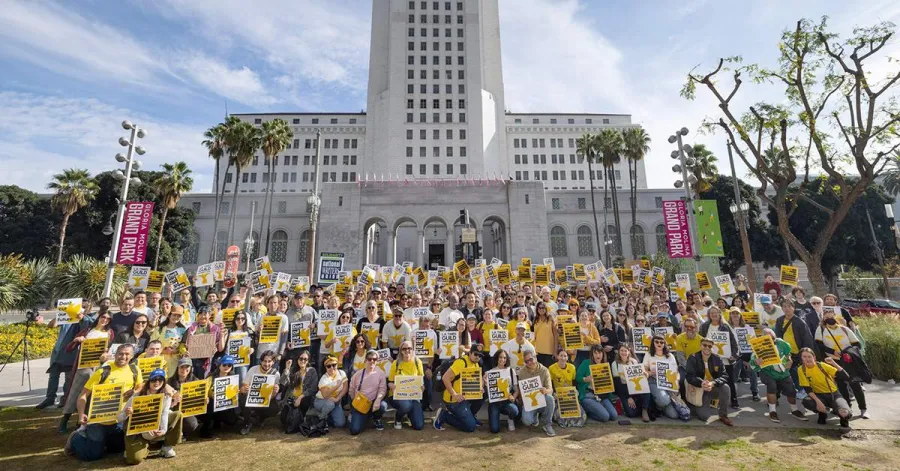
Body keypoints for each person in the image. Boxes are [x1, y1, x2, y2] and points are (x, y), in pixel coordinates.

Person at [65, 344, 141, 461]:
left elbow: (140, 388)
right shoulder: (103, 372)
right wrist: (81, 414)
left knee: (117, 449)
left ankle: (103, 442)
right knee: (92, 455)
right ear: (115, 354)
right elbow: (83, 395)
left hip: (118, 419)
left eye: (127, 354)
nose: (123, 357)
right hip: (98, 419)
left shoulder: (135, 370)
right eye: (120, 353)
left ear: (132, 356)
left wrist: (133, 391)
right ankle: (76, 437)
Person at [59, 309, 116, 433]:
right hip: (83, 366)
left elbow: (110, 350)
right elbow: (69, 348)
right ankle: (64, 419)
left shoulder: (110, 333)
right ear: (99, 317)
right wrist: (77, 340)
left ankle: (81, 421)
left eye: (108, 319)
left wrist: (106, 353)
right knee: (75, 393)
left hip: (99, 367)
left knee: (91, 396)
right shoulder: (88, 330)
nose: (104, 320)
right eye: (103, 317)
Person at [39, 299, 96, 410]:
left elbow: (88, 327)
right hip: (58, 351)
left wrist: (82, 317)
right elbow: (51, 325)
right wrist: (60, 315)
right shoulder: (67, 318)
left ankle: (65, 399)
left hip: (71, 353)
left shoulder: (88, 319)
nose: (82, 308)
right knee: (53, 376)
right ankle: (49, 398)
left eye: (84, 306)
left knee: (68, 377)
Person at [814, 308, 868, 419]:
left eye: (831, 315)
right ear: (823, 318)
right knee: (841, 386)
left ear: (836, 316)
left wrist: (847, 352)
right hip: (833, 362)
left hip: (848, 361)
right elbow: (819, 346)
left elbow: (857, 344)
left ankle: (863, 409)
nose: (829, 318)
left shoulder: (844, 329)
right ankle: (847, 408)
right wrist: (833, 352)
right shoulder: (820, 329)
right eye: (826, 316)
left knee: (855, 384)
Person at [118, 368, 180, 463]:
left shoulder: (166, 396)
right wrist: (126, 413)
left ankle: (166, 446)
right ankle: (141, 447)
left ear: (164, 382)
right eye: (154, 379)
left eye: (160, 380)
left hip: (155, 425)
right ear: (149, 381)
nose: (157, 382)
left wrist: (163, 430)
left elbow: (164, 414)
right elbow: (119, 418)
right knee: (134, 460)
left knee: (177, 415)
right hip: (137, 430)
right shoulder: (137, 395)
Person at [750, 329, 807, 423]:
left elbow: (788, 355)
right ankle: (772, 411)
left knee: (791, 389)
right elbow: (752, 363)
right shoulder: (758, 346)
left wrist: (789, 361)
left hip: (783, 371)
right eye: (768, 338)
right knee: (772, 386)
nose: (772, 340)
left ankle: (794, 410)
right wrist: (756, 362)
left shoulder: (782, 343)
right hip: (768, 371)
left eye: (773, 338)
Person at [434, 347, 485, 433]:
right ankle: (443, 415)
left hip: (465, 396)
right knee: (470, 427)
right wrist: (454, 394)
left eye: (480, 355)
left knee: (483, 394)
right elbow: (445, 378)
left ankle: (470, 416)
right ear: (470, 353)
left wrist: (481, 386)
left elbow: (475, 381)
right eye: (475, 354)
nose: (477, 357)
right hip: (454, 400)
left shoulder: (476, 364)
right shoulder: (461, 363)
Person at [684, 338, 734, 426]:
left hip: (712, 387)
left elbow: (724, 376)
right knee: (704, 417)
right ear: (700, 346)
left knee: (726, 388)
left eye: (710, 346)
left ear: (712, 347)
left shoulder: (717, 358)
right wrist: (701, 383)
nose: (707, 347)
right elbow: (689, 376)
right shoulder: (693, 357)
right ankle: (695, 406)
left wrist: (713, 383)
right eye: (704, 345)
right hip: (699, 388)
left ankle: (723, 415)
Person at [798, 348, 852, 428]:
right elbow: (807, 389)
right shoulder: (801, 369)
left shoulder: (821, 365)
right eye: (804, 357)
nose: (807, 359)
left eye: (809, 356)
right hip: (818, 395)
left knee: (845, 413)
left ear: (814, 357)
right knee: (807, 401)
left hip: (834, 394)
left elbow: (846, 376)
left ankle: (842, 418)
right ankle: (822, 413)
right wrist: (818, 402)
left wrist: (833, 363)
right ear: (801, 358)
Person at [699, 307, 740, 408]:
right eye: (711, 313)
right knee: (714, 381)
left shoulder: (726, 326)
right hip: (711, 359)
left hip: (725, 360)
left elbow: (734, 342)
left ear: (719, 314)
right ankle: (715, 402)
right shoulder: (705, 326)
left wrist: (734, 355)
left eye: (715, 313)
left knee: (729, 380)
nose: (713, 315)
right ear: (708, 315)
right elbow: (700, 340)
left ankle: (734, 401)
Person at [773, 298, 816, 394]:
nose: (787, 308)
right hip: (786, 352)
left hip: (798, 352)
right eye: (784, 306)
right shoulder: (780, 320)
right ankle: (791, 390)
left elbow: (807, 338)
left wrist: (807, 353)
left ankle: (803, 390)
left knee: (798, 372)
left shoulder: (800, 321)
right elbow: (778, 336)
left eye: (789, 306)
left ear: (793, 307)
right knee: (785, 372)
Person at [642, 335, 689, 421]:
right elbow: (644, 369)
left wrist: (677, 382)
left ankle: (661, 407)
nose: (659, 344)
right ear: (653, 343)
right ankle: (659, 403)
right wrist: (648, 372)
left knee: (674, 415)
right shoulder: (648, 355)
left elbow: (676, 371)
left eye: (661, 342)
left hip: (669, 382)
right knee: (664, 400)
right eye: (656, 342)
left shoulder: (670, 356)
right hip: (654, 381)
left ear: (664, 343)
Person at [238, 350, 283, 435]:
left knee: (275, 409)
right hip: (251, 398)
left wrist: (275, 392)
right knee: (243, 396)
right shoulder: (253, 369)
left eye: (269, 361)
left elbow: (272, 397)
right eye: (264, 361)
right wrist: (244, 389)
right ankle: (246, 423)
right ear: (261, 361)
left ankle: (259, 417)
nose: (266, 364)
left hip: (265, 400)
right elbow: (244, 386)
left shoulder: (276, 374)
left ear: (273, 362)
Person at [386, 341, 425, 430]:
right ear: (401, 351)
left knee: (419, 426)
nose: (407, 350)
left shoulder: (417, 362)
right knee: (406, 405)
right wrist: (392, 386)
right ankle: (398, 418)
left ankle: (408, 413)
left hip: (413, 397)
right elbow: (390, 382)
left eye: (409, 348)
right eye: (404, 349)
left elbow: (421, 382)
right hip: (398, 397)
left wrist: (422, 387)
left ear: (412, 350)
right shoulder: (395, 363)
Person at [516, 350, 557, 436]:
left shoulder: (544, 370)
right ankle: (534, 418)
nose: (529, 363)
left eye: (531, 359)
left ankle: (547, 424)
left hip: (543, 400)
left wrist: (545, 390)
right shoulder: (522, 372)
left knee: (550, 398)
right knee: (527, 421)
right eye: (526, 361)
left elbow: (550, 389)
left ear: (535, 357)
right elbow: (521, 391)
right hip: (530, 403)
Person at [200, 355, 242, 438]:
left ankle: (217, 421)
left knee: (231, 421)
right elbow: (204, 389)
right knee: (210, 405)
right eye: (224, 365)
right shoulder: (211, 377)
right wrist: (206, 397)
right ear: (219, 365)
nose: (226, 367)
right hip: (211, 404)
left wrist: (237, 392)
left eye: (229, 365)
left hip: (225, 404)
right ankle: (204, 429)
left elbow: (235, 392)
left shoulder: (233, 378)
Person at [347, 349, 388, 434]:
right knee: (354, 430)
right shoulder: (358, 374)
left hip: (373, 402)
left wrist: (378, 400)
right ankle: (359, 416)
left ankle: (376, 418)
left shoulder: (381, 373)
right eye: (369, 359)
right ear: (365, 360)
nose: (372, 361)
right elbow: (351, 389)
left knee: (383, 406)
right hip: (361, 403)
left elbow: (382, 389)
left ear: (377, 361)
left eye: (374, 359)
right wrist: (355, 401)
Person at [575, 345, 617, 423]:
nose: (598, 355)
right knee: (605, 417)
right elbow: (577, 377)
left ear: (603, 354)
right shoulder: (586, 363)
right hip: (589, 395)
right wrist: (585, 379)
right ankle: (588, 411)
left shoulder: (605, 365)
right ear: (592, 354)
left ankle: (598, 408)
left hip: (602, 396)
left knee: (614, 416)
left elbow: (609, 383)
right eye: (595, 353)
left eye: (600, 353)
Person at [279, 350, 319, 433]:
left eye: (305, 359)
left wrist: (300, 397)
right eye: (301, 359)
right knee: (283, 419)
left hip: (304, 398)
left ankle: (301, 419)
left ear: (308, 361)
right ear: (297, 359)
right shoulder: (293, 370)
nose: (303, 361)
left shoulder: (312, 371)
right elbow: (283, 382)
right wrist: (287, 369)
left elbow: (313, 389)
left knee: (304, 403)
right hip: (292, 398)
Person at [183, 305, 225, 379]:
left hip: (208, 360)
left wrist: (220, 337)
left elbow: (220, 348)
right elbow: (185, 344)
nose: (202, 316)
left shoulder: (216, 329)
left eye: (205, 314)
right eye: (200, 314)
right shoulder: (192, 328)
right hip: (193, 359)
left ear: (209, 315)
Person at [727, 308, 760, 402]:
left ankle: (755, 392)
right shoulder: (727, 327)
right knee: (734, 375)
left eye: (737, 313)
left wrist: (748, 357)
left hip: (747, 354)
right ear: (730, 315)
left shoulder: (747, 327)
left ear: (740, 315)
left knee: (752, 372)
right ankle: (732, 393)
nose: (735, 315)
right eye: (732, 313)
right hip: (734, 355)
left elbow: (752, 341)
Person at [612, 345, 651, 422]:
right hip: (623, 389)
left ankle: (644, 410)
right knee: (631, 414)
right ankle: (642, 406)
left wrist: (645, 375)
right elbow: (617, 384)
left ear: (629, 351)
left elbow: (640, 378)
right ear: (618, 352)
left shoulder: (634, 361)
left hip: (634, 387)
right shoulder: (614, 364)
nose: (623, 353)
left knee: (646, 388)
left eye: (625, 351)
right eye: (621, 351)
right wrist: (628, 397)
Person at [485, 349, 519, 433]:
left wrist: (513, 397)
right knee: (494, 430)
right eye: (500, 357)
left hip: (507, 401)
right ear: (497, 358)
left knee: (514, 411)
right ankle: (494, 416)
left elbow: (516, 390)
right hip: (494, 403)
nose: (502, 360)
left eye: (504, 358)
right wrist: (485, 384)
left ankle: (510, 420)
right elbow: (487, 391)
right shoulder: (489, 372)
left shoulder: (511, 371)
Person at [549, 349, 586, 427]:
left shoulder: (572, 367)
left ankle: (573, 423)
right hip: (558, 396)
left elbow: (574, 382)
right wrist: (553, 394)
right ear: (557, 357)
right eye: (561, 356)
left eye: (565, 356)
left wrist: (575, 391)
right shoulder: (552, 368)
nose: (563, 358)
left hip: (570, 395)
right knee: (559, 415)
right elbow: (550, 384)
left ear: (567, 358)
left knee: (582, 415)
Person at [168, 358, 203, 437]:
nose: (184, 369)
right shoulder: (169, 382)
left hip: (190, 409)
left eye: (187, 367)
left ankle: (185, 433)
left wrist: (204, 399)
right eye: (182, 367)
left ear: (191, 368)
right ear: (177, 368)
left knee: (193, 424)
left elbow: (199, 397)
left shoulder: (195, 380)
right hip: (174, 409)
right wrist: (174, 399)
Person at [311, 355, 348, 428]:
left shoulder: (341, 373)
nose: (332, 368)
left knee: (340, 424)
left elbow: (345, 388)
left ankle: (327, 417)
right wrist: (336, 386)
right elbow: (325, 395)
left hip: (335, 401)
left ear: (337, 365)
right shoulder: (324, 378)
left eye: (334, 365)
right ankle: (320, 418)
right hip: (321, 401)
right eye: (329, 366)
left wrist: (337, 398)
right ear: (325, 367)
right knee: (330, 404)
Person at [152, 304, 188, 377]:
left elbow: (184, 345)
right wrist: (163, 351)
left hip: (176, 362)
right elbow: (151, 344)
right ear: (169, 315)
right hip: (160, 361)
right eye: (174, 315)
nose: (176, 318)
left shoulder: (183, 330)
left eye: (179, 316)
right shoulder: (159, 329)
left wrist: (177, 351)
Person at [532, 302, 558, 367]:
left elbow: (555, 335)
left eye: (543, 308)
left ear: (546, 309)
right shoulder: (535, 320)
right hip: (538, 351)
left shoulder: (551, 319)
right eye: (539, 308)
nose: (541, 309)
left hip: (549, 351)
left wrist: (555, 351)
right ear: (537, 309)